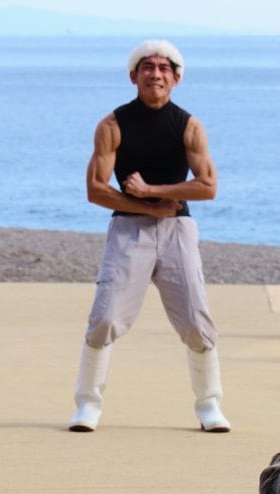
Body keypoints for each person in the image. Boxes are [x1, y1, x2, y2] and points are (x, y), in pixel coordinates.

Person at [69, 39, 230, 433]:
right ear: (133, 76)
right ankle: (87, 406)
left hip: (177, 231)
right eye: (147, 67)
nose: (154, 74)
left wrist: (153, 192)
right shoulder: (112, 125)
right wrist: (145, 207)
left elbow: (207, 186)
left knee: (196, 322)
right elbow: (95, 188)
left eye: (163, 68)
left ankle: (210, 407)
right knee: (105, 317)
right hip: (128, 230)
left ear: (176, 79)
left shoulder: (189, 126)